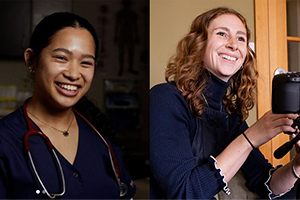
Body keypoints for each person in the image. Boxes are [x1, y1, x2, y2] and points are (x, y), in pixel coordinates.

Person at [150, 7, 300, 199]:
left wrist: (297, 163)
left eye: (241, 38)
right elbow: (185, 192)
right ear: (199, 43)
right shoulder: (165, 99)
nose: (233, 45)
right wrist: (251, 138)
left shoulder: (231, 115)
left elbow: (266, 183)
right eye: (222, 34)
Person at [0, 12, 136, 199]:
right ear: (32, 59)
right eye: (61, 58)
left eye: (86, 62)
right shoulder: (6, 141)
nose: (74, 74)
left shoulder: (101, 138)